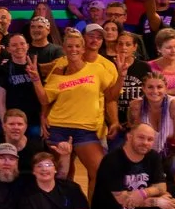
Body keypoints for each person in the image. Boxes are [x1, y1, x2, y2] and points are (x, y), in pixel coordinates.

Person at [40, 28, 118, 183]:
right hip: (59, 125)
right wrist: (43, 115)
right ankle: (65, 199)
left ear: (82, 48)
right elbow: (49, 95)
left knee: (99, 173)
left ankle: (92, 200)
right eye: (91, 36)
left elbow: (110, 97)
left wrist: (114, 121)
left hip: (90, 127)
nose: (94, 40)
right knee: (63, 173)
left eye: (99, 37)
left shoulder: (104, 66)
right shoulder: (61, 64)